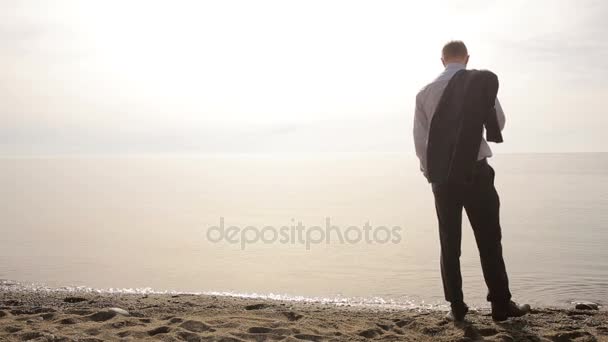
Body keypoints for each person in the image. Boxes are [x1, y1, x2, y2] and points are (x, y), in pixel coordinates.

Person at [413, 40, 531, 322]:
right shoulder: (478, 82)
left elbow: (421, 141)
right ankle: (501, 305)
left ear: (442, 60)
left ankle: (457, 306)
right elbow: (498, 123)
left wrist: (430, 174)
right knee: (490, 238)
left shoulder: (425, 93)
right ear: (466, 58)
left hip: (441, 177)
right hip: (476, 171)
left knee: (449, 241)